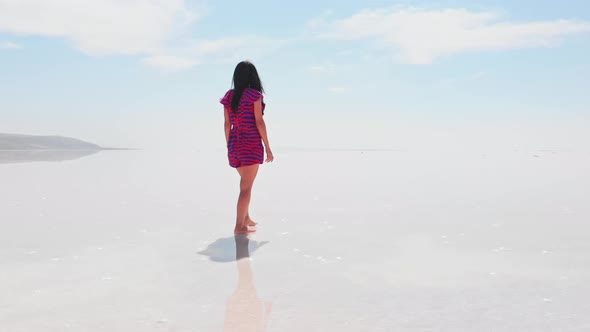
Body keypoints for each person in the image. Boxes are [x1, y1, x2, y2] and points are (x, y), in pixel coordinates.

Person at [220, 61, 274, 235]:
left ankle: (246, 218)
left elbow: (227, 124)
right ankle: (239, 226)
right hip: (250, 143)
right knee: (246, 188)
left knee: (245, 183)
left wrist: (229, 145)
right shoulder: (254, 95)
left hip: (235, 144)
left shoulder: (229, 96)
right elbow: (259, 121)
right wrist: (268, 146)